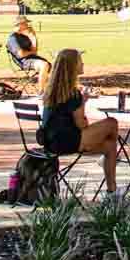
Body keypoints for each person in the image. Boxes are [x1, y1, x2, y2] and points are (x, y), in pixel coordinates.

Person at [38, 49, 120, 194]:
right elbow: (82, 124)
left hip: (50, 142)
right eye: (80, 62)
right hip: (68, 141)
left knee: (110, 145)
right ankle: (111, 191)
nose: (83, 65)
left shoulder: (52, 90)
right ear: (72, 67)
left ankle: (112, 190)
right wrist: (83, 102)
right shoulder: (72, 93)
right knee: (111, 123)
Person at [6, 18, 49, 84]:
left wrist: (33, 36)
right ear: (20, 24)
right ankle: (41, 92)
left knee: (55, 65)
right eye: (25, 23)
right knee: (44, 65)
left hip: (33, 58)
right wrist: (32, 52)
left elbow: (34, 50)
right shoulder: (13, 38)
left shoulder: (24, 36)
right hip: (24, 61)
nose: (28, 25)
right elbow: (21, 54)